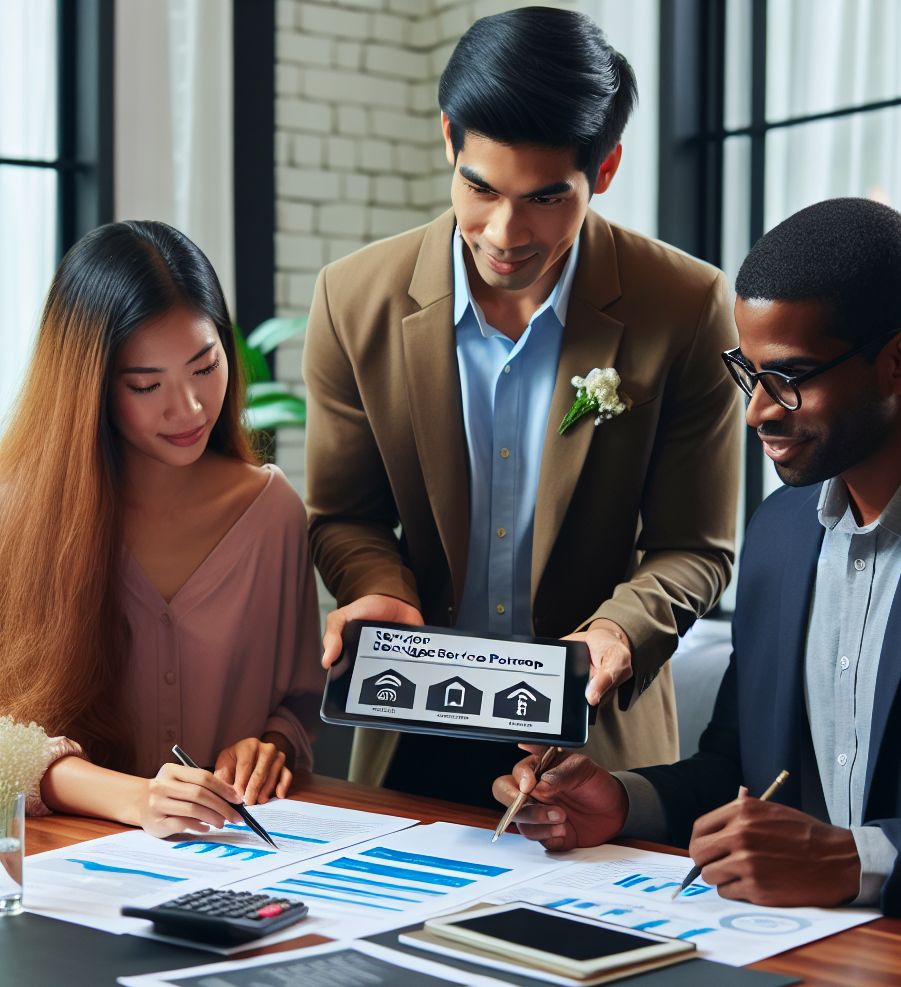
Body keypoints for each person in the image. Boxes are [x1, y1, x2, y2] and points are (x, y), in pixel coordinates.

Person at [493, 198, 901, 925]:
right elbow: (744, 771)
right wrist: (621, 802)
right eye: (750, 372)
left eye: (791, 376)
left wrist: (850, 858)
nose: (757, 412)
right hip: (788, 954)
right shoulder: (779, 533)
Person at [303, 8, 741, 806]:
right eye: (480, 188)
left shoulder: (686, 304)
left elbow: (697, 547)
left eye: (546, 198)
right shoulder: (350, 300)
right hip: (411, 727)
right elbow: (343, 516)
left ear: (603, 171)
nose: (506, 232)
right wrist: (376, 585)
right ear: (448, 139)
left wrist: (617, 633)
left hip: (590, 744)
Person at [0, 221, 324, 837]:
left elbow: (298, 705)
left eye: (205, 367)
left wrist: (272, 742)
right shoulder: (15, 512)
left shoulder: (272, 511)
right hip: (64, 864)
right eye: (147, 385)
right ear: (88, 387)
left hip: (228, 858)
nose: (191, 408)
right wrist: (132, 798)